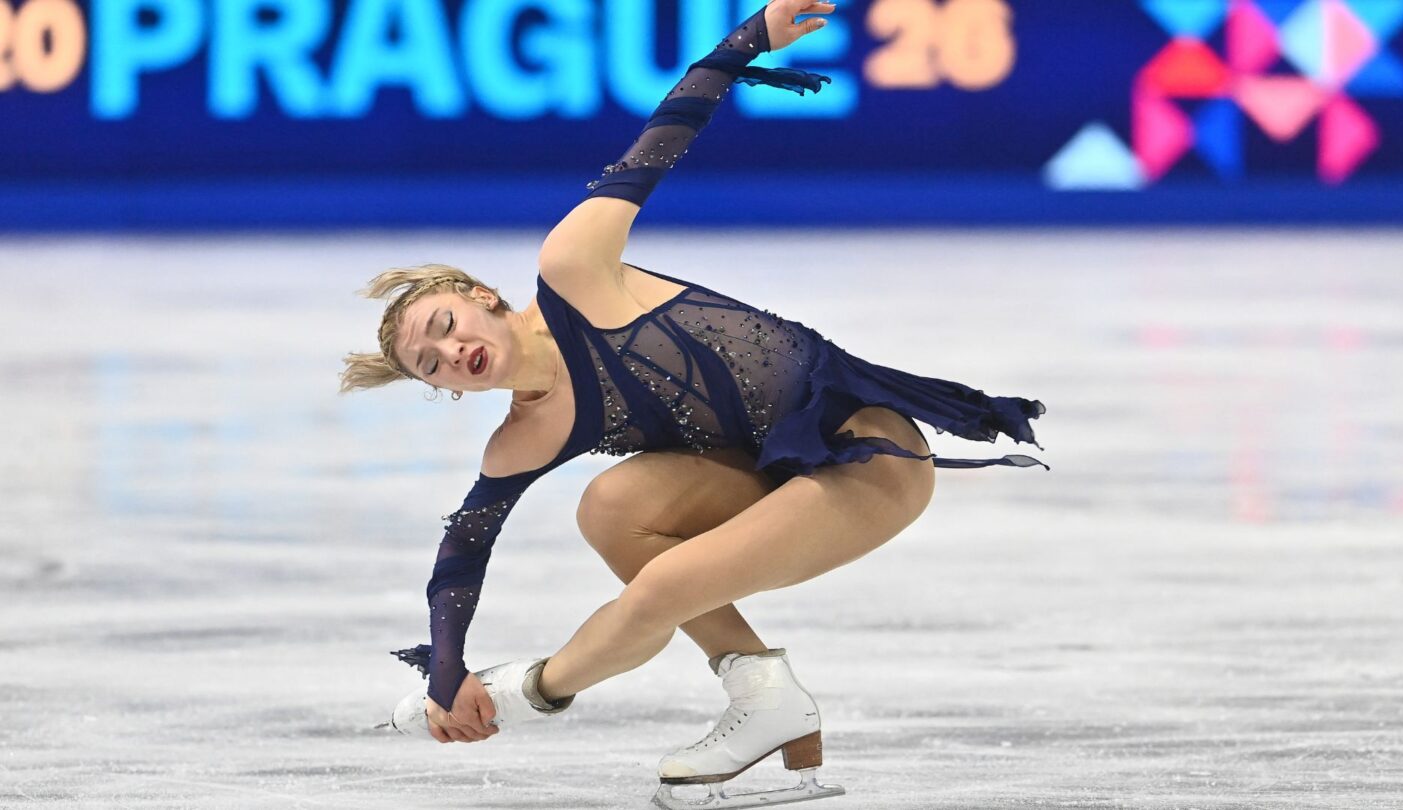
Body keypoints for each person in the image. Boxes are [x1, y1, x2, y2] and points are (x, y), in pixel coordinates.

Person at [342, 1, 1048, 806]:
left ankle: (527, 693)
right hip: (763, 477)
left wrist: (749, 39)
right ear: (445, 390)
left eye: (443, 325)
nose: (449, 352)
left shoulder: (574, 268)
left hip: (868, 454)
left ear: (477, 297)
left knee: (664, 585)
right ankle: (763, 696)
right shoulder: (522, 439)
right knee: (611, 507)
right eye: (431, 366)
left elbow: (662, 137)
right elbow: (459, 558)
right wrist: (443, 674)